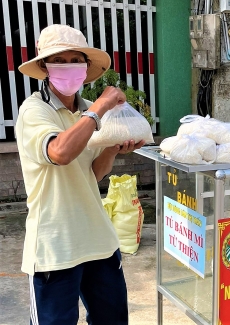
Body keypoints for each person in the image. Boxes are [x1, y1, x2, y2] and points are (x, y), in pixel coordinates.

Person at [16, 24, 145, 324]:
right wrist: (100, 107)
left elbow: (92, 173)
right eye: (59, 60)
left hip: (98, 240)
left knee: (112, 319)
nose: (68, 67)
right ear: (45, 67)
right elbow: (60, 153)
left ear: (86, 68)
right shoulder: (34, 111)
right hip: (55, 246)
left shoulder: (87, 111)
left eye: (76, 60)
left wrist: (112, 149)